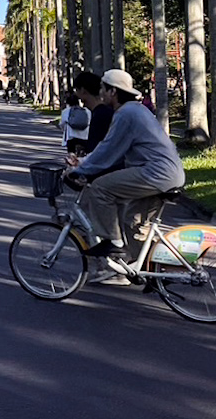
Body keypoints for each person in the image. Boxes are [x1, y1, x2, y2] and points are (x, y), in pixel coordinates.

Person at [64, 68, 185, 283]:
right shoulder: (136, 110)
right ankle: (153, 272)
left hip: (155, 173)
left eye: (103, 88)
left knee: (100, 188)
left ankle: (114, 243)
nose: (100, 93)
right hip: (167, 172)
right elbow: (108, 149)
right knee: (136, 224)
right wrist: (83, 162)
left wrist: (80, 170)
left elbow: (109, 150)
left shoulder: (126, 113)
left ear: (113, 92)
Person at [72, 70, 112, 153]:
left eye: (77, 90)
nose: (76, 94)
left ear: (83, 90)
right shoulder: (104, 111)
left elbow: (98, 147)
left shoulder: (100, 115)